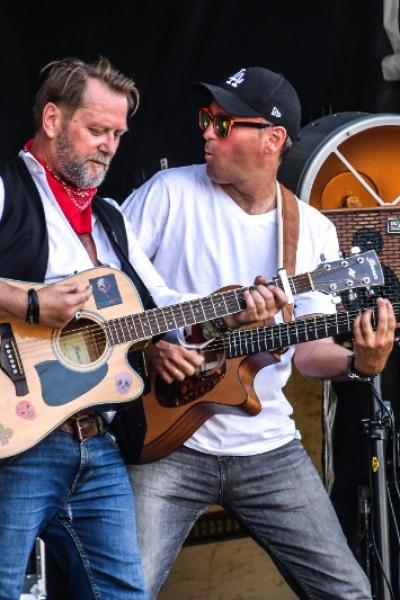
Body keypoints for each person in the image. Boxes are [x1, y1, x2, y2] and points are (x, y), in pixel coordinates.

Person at [0, 57, 277, 600]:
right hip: (17, 440)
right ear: (53, 119)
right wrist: (29, 302)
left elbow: (164, 305)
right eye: (97, 130)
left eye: (118, 134)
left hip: (96, 443)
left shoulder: (109, 217)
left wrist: (230, 309)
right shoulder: (8, 190)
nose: (109, 145)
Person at [122, 66, 396, 599]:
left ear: (272, 140)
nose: (205, 131)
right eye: (206, 119)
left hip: (267, 444)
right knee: (120, 592)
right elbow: (109, 290)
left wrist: (359, 363)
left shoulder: (310, 229)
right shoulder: (169, 193)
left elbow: (310, 352)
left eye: (222, 123)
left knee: (349, 594)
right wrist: (157, 346)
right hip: (165, 438)